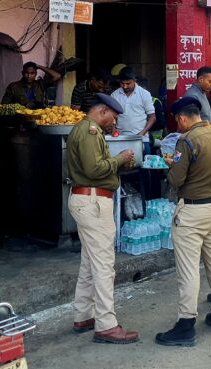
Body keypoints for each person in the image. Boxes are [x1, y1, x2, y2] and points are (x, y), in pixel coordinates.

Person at [155, 97, 211, 347]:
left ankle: (186, 323)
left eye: (178, 121)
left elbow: (176, 180)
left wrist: (170, 165)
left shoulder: (186, 140)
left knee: (188, 269)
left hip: (191, 211)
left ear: (182, 118)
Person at [65, 93, 138, 344]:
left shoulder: (88, 129)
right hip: (93, 201)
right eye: (113, 117)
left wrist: (117, 164)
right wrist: (120, 159)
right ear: (103, 111)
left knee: (90, 260)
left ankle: (83, 315)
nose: (114, 123)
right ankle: (106, 324)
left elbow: (96, 166)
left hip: (90, 199)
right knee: (104, 264)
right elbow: (94, 169)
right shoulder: (89, 131)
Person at [111, 67, 156, 155]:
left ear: (134, 80)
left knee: (143, 166)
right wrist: (113, 129)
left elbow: (152, 117)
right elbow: (112, 116)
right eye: (122, 83)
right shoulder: (114, 95)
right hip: (120, 139)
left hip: (141, 139)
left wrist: (142, 133)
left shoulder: (144, 94)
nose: (125, 86)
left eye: (128, 83)